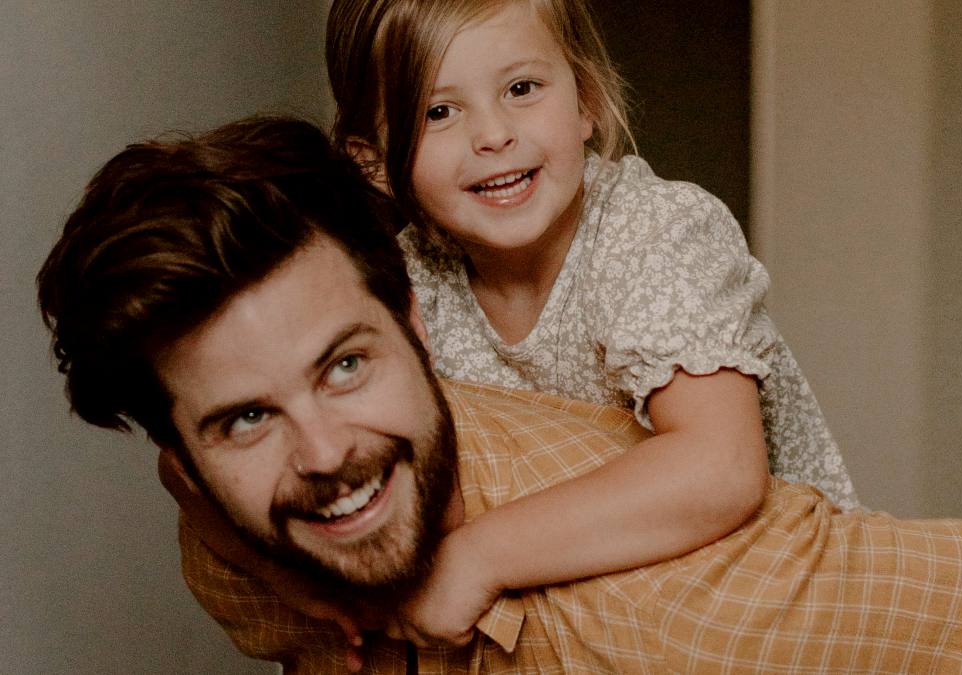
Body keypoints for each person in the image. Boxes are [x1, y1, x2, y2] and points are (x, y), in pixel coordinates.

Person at [38, 117, 962, 673]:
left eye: (345, 365)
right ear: (184, 463)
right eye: (245, 418)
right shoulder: (227, 539)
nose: (326, 453)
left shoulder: (689, 609)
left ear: (418, 328)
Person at [316, 0, 856, 642]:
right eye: (439, 112)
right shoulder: (405, 281)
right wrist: (314, 593)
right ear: (373, 160)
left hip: (768, 607)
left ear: (586, 103)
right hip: (593, 621)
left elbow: (720, 469)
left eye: (521, 88)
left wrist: (479, 558)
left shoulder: (654, 232)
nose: (493, 134)